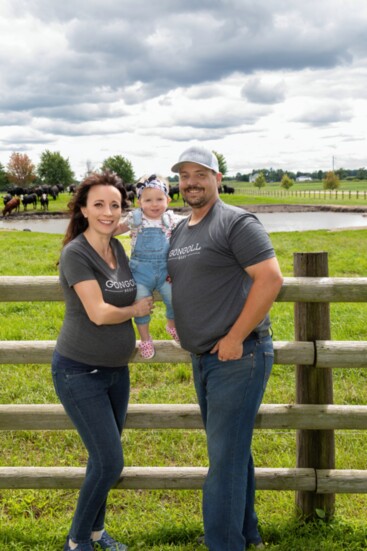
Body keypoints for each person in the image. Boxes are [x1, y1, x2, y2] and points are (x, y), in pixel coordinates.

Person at [167, 146, 284, 551]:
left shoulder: (236, 222)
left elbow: (270, 279)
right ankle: (246, 535)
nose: (191, 182)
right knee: (232, 453)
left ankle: (222, 543)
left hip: (240, 356)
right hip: (204, 358)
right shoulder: (181, 229)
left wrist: (234, 338)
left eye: (201, 174)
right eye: (184, 175)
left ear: (218, 178)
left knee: (224, 462)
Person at [51, 170, 153, 551]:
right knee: (110, 462)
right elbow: (97, 311)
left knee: (101, 459)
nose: (108, 212)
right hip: (79, 372)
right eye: (99, 205)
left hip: (116, 372)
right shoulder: (75, 253)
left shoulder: (119, 249)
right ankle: (78, 541)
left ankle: (96, 532)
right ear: (83, 209)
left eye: (115, 204)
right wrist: (137, 308)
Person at [118, 174, 184, 359]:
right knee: (140, 303)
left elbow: (194, 222)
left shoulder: (171, 219)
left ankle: (172, 324)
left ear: (168, 200)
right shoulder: (135, 218)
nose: (154, 204)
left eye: (159, 199)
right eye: (148, 200)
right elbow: (114, 230)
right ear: (139, 202)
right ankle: (145, 338)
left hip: (165, 272)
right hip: (140, 273)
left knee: (174, 298)